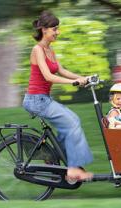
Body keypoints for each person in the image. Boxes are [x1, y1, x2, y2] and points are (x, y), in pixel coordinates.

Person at [22, 11, 93, 181]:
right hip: (36, 100)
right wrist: (73, 83)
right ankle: (73, 169)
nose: (57, 32)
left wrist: (82, 78)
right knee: (72, 121)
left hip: (43, 99)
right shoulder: (37, 49)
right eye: (55, 29)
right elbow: (48, 76)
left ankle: (58, 159)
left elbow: (61, 70)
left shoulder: (50, 50)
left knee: (68, 124)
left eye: (57, 29)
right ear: (44, 30)